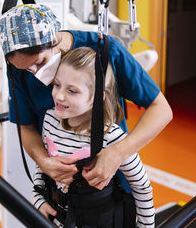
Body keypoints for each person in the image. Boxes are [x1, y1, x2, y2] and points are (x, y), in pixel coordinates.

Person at [0, 4, 172, 191]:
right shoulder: (19, 69)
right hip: (60, 188)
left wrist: (117, 153)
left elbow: (161, 109)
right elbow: (26, 127)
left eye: (40, 62)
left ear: (54, 39)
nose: (35, 73)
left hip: (109, 185)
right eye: (25, 69)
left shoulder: (106, 51)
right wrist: (43, 161)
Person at [32, 47, 154, 227]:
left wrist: (146, 226)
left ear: (96, 98)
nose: (59, 95)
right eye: (57, 85)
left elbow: (142, 187)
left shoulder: (111, 137)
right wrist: (38, 199)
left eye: (72, 91)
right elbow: (42, 164)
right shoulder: (49, 120)